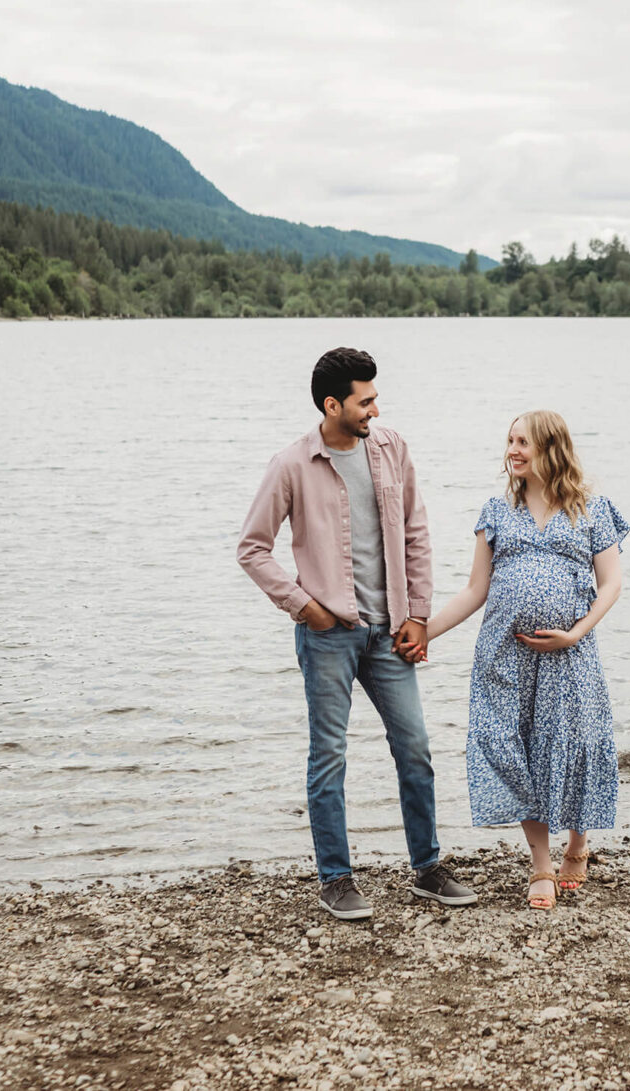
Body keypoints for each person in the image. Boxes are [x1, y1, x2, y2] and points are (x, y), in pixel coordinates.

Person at [237, 347, 477, 919]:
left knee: (415, 748)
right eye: (365, 401)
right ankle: (336, 879)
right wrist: (304, 607)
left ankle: (427, 868)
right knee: (329, 756)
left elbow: (415, 532)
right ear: (332, 405)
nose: (376, 409)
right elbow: (252, 548)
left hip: (390, 632)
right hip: (328, 635)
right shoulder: (291, 465)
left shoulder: (393, 449)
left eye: (375, 398)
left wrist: (418, 614)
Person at [423, 410, 628, 910]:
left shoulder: (592, 510)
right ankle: (540, 865)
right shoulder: (496, 511)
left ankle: (577, 844)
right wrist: (422, 633)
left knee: (575, 745)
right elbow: (475, 590)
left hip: (570, 656)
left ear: (550, 448)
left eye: (523, 442)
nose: (512, 450)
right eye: (510, 441)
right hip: (505, 656)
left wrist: (574, 633)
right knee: (514, 752)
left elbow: (611, 584)